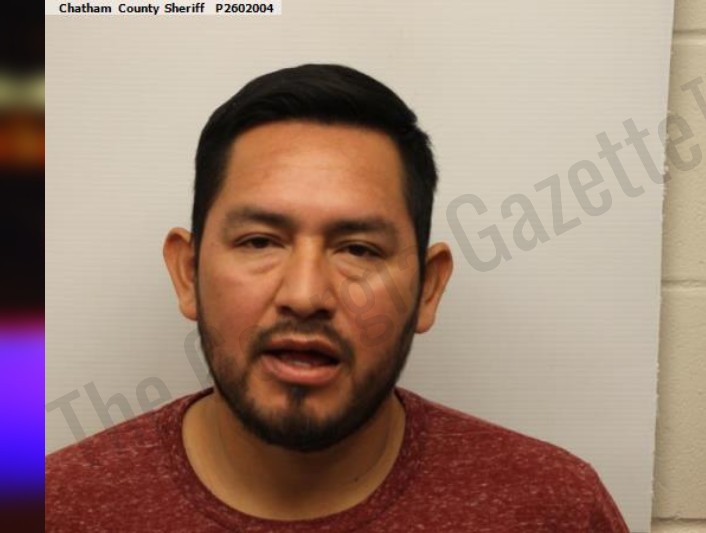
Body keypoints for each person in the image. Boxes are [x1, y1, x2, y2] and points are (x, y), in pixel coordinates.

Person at [45, 64, 629, 532]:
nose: (305, 296)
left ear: (428, 289)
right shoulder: (56, 509)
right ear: (188, 273)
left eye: (358, 250)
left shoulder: (553, 509)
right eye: (260, 241)